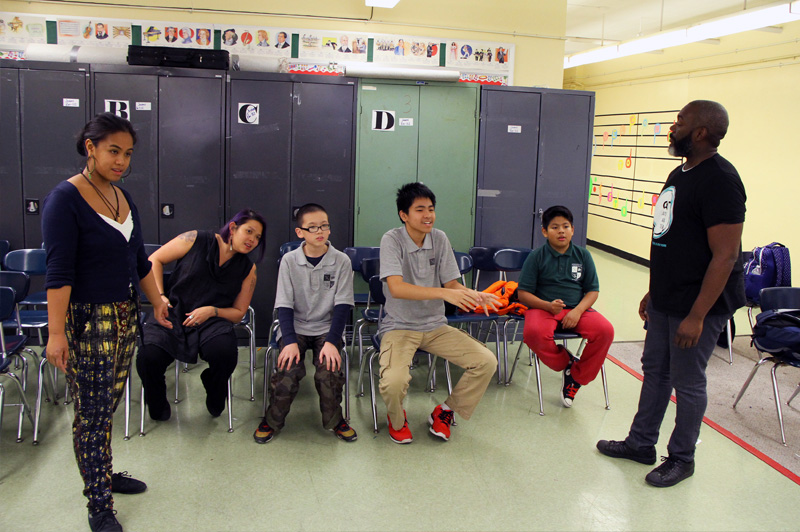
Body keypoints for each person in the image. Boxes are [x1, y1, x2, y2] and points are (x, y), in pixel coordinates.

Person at [597, 100, 746, 488]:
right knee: (656, 371)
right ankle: (640, 443)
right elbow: (668, 237)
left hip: (698, 303)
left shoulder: (721, 180)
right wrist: (653, 290)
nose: (673, 126)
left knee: (688, 380)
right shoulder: (679, 173)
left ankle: (682, 457)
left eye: (681, 121)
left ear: (700, 132)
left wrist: (697, 316)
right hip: (667, 296)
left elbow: (726, 254)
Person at [42, 112, 172, 532]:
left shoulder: (123, 198)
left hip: (123, 316)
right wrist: (56, 333)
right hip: (85, 320)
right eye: (113, 151)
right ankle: (98, 502)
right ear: (90, 147)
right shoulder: (65, 199)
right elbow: (59, 271)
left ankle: (102, 473)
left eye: (128, 154)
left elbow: (138, 261)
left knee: (108, 407)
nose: (121, 161)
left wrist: (156, 302)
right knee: (92, 414)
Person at [377, 183, 499, 444]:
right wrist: (444, 294)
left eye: (431, 209)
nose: (427, 215)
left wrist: (473, 295)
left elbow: (453, 285)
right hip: (400, 326)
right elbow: (396, 288)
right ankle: (396, 420)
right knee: (394, 382)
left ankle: (445, 411)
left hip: (435, 327)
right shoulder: (391, 239)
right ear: (404, 215)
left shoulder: (440, 238)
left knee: (486, 361)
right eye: (419, 209)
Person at [136, 209, 264, 422]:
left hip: (212, 321)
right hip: (174, 311)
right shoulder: (196, 239)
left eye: (258, 237)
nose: (252, 240)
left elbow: (239, 313)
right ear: (232, 228)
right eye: (249, 231)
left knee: (225, 353)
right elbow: (154, 260)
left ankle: (214, 392)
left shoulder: (248, 269)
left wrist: (212, 311)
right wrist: (159, 297)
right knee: (148, 357)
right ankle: (157, 403)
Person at [254, 204, 357, 444]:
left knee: (328, 371)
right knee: (287, 369)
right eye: (312, 227)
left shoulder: (341, 261)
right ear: (300, 232)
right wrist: (289, 341)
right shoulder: (290, 261)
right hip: (295, 327)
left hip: (327, 328)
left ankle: (335, 420)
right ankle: (272, 421)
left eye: (324, 226)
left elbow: (342, 306)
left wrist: (332, 342)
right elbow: (284, 305)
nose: (319, 231)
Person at [517, 205, 614, 407]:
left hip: (577, 309)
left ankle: (576, 378)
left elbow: (593, 290)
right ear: (544, 231)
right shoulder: (536, 257)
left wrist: (578, 311)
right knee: (533, 333)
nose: (561, 231)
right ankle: (566, 363)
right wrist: (547, 305)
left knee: (605, 331)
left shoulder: (583, 255)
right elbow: (523, 294)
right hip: (543, 309)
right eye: (554, 227)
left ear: (572, 229)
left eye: (565, 226)